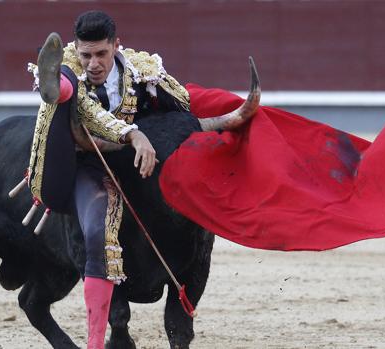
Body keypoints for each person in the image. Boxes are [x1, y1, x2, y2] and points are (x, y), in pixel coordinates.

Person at [26, 10, 254, 349]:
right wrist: (134, 135)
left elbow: (181, 109)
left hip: (138, 167)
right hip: (86, 166)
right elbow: (88, 118)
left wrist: (181, 131)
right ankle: (99, 341)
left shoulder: (141, 71)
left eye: (101, 54)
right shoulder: (70, 71)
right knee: (96, 233)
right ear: (76, 48)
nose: (93, 63)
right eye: (85, 54)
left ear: (116, 46)